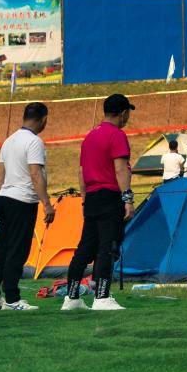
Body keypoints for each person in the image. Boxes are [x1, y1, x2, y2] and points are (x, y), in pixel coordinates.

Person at [62, 93, 134, 312]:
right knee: (108, 247)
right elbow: (120, 169)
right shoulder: (117, 135)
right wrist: (128, 199)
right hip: (110, 195)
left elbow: (82, 172)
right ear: (123, 113)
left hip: (92, 197)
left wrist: (85, 200)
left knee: (85, 248)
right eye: (128, 113)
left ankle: (72, 297)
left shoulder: (90, 136)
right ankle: (102, 297)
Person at [0, 102, 52, 312]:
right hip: (22, 200)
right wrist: (47, 203)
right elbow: (35, 174)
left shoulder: (9, 141)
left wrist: (0, 194)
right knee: (18, 250)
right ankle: (12, 299)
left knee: (3, 248)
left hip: (4, 197)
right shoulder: (34, 142)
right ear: (42, 119)